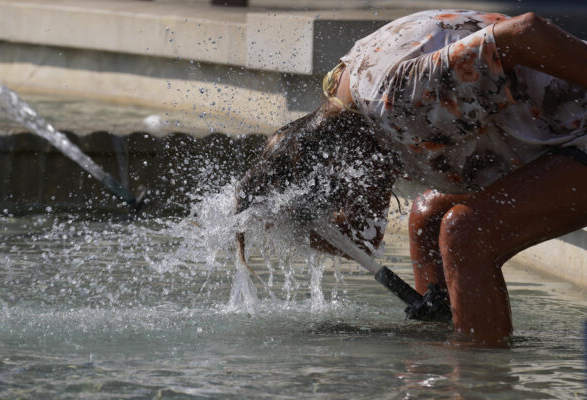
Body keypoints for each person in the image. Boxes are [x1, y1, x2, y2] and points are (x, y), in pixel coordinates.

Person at [235, 9, 587, 345]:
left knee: (466, 232)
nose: (352, 207)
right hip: (556, 134)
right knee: (427, 218)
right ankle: (445, 346)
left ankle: (476, 374)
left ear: (341, 165)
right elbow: (364, 235)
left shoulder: (397, 94)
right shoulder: (346, 104)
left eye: (343, 198)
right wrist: (288, 224)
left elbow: (526, 32)